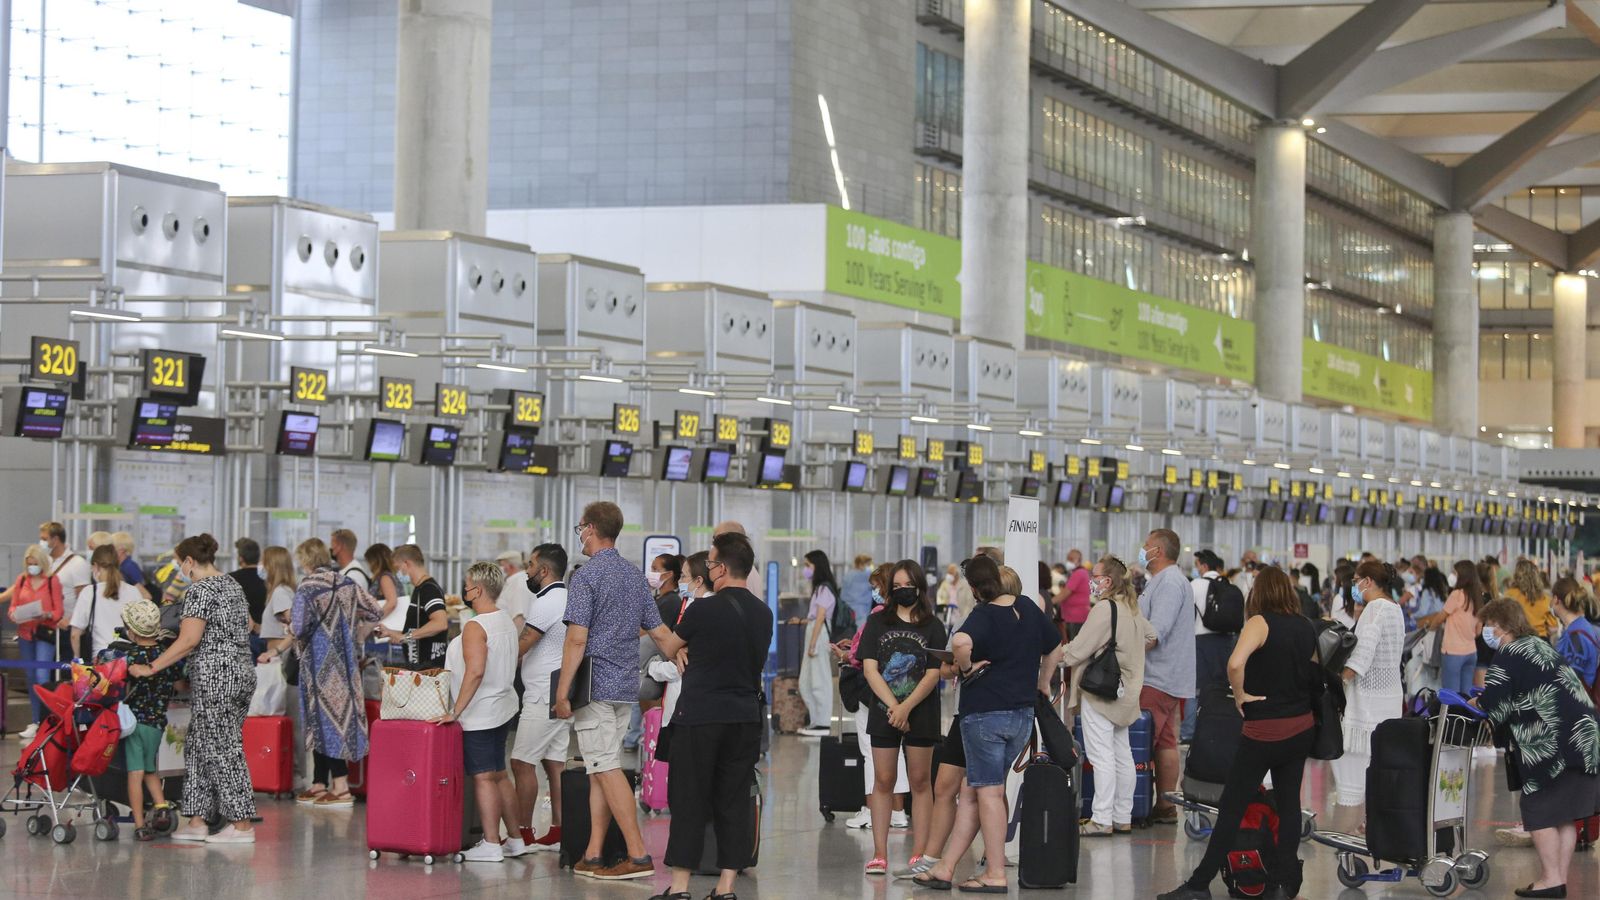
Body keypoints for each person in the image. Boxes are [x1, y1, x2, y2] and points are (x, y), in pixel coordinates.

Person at [1157, 566, 1319, 900]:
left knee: (1232, 808)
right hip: (1300, 726)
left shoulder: (1260, 622)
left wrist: (1241, 694)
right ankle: (1285, 883)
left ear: (1258, 593)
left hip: (1264, 730)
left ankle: (1200, 884)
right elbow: (1315, 669)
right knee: (1289, 805)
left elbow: (1234, 663)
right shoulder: (1305, 626)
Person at [914, 554, 1063, 893]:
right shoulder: (1027, 607)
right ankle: (945, 867)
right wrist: (1043, 681)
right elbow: (1055, 647)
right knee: (973, 791)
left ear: (974, 586)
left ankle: (995, 871)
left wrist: (966, 668)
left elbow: (961, 642)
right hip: (1021, 717)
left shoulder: (985, 613)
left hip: (985, 716)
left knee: (989, 792)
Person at [645, 531, 774, 900]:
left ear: (719, 568)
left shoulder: (703, 608)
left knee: (689, 799)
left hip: (700, 716)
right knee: (734, 800)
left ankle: (681, 887)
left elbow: (670, 645)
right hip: (745, 717)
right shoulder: (763, 613)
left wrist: (652, 618)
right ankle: (726, 886)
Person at [554, 501, 675, 881]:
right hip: (625, 688)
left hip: (593, 689)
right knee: (598, 770)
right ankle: (593, 853)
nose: (580, 534)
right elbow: (659, 632)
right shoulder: (634, 576)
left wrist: (562, 693)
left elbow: (576, 640)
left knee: (605, 768)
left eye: (580, 528)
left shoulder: (586, 578)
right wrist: (684, 651)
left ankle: (638, 855)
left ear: (590, 529)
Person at [125, 533, 257, 843]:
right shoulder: (231, 584)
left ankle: (242, 825)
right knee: (198, 744)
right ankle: (197, 820)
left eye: (179, 563)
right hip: (240, 673)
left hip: (216, 677)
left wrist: (152, 667)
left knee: (224, 749)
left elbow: (188, 640)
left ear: (188, 561)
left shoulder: (199, 590)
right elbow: (249, 625)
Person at [1478, 599, 1600, 899]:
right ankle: (1557, 879)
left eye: (1488, 624)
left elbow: (1495, 706)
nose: (1484, 631)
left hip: (1550, 747)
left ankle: (1550, 879)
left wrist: (1474, 703)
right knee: (1565, 814)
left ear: (1501, 626)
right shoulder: (1540, 645)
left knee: (1539, 810)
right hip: (1584, 739)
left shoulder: (1506, 654)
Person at [264, 537, 380, 808]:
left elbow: (301, 627)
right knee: (336, 721)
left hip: (319, 666)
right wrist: (357, 635)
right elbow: (375, 610)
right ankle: (320, 783)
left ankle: (340, 788)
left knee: (325, 723)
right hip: (347, 666)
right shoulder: (347, 583)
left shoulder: (308, 587)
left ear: (305, 560)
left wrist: (288, 628)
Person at [858, 559, 946, 878]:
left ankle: (919, 852)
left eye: (908, 585)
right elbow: (870, 669)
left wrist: (906, 707)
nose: (902, 590)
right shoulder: (877, 622)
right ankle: (880, 852)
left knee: (921, 782)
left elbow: (934, 673)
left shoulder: (934, 626)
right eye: (896, 586)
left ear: (919, 587)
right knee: (883, 780)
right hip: (884, 712)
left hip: (921, 712)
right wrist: (895, 706)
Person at [436, 561, 526, 862]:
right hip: (503, 706)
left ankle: (490, 843)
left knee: (484, 777)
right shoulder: (505, 620)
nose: (464, 590)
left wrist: (455, 711)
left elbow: (475, 671)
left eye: (467, 584)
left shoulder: (477, 626)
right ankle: (515, 839)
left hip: (480, 712)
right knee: (500, 775)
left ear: (478, 589)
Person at [1065, 555, 1155, 837]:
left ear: (1107, 581)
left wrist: (1055, 656)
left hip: (1101, 691)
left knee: (1101, 755)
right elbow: (1152, 636)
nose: (1092, 581)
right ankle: (1122, 816)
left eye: (1096, 576)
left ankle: (1101, 819)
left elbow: (1078, 650)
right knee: (1122, 754)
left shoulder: (1105, 608)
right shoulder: (1131, 608)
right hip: (1127, 690)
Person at [505, 543, 571, 851]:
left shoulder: (546, 602)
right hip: (561, 687)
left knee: (521, 762)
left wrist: (496, 661)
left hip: (543, 692)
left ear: (544, 570)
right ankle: (560, 829)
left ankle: (523, 832)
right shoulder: (567, 596)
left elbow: (526, 641)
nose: (527, 571)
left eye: (530, 565)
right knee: (554, 762)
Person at [838, 563, 911, 834]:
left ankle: (870, 809)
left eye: (877, 587)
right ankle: (898, 811)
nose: (874, 592)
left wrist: (846, 654)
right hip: (898, 691)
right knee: (897, 752)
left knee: (871, 752)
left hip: (870, 692)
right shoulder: (908, 617)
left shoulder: (877, 617)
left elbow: (860, 655)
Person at [1331, 559, 1407, 807]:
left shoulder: (1375, 609)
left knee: (1358, 768)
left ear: (1368, 581)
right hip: (1390, 699)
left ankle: (1359, 824)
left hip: (1367, 706)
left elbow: (1361, 656)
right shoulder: (1395, 608)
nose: (1354, 587)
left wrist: (1338, 682)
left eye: (1355, 582)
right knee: (1379, 765)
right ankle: (1371, 822)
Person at [1137, 528, 1195, 824]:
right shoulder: (1162, 581)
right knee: (1165, 742)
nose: (1142, 549)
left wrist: (1128, 650)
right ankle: (1165, 805)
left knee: (1143, 741)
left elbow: (1155, 632)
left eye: (1146, 545)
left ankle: (1135, 806)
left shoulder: (1170, 582)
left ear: (1157, 551)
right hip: (1166, 675)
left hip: (1157, 675)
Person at [118, 599, 181, 841]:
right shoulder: (167, 655)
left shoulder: (130, 656)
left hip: (134, 724)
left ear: (132, 630)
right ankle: (162, 806)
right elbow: (179, 680)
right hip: (157, 723)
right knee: (151, 769)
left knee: (135, 773)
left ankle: (139, 824)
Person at [2, 543, 64, 738]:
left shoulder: (52, 581)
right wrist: (15, 615)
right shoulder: (21, 580)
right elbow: (12, 607)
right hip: (25, 633)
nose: (32, 567)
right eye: (29, 563)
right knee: (30, 677)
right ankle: (36, 720)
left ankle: (48, 720)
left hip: (44, 633)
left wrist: (45, 613)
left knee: (42, 675)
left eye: (35, 563)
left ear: (42, 562)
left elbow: (58, 611)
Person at [1184, 549, 1234, 743]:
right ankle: (1216, 728)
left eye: (1197, 565)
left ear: (1203, 566)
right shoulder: (1227, 584)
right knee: (1220, 687)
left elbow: (1186, 616)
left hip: (1201, 641)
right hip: (1225, 641)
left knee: (1194, 689)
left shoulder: (1195, 584)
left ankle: (1189, 732)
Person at [380, 544, 449, 670]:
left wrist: (405, 637)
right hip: (418, 667)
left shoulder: (429, 589)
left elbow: (440, 623)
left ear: (407, 564)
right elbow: (417, 629)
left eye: (397, 568)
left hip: (429, 669)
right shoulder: (419, 589)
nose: (397, 574)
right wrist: (392, 633)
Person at [797, 549, 840, 737]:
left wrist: (813, 644)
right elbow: (815, 616)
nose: (805, 569)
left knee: (819, 681)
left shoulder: (824, 588)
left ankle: (823, 724)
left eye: (808, 565)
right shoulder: (819, 588)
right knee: (806, 682)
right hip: (814, 631)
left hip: (819, 634)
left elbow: (821, 616)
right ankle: (816, 722)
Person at [70, 544, 140, 660]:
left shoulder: (89, 592)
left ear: (96, 566)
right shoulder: (134, 591)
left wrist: (77, 658)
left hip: (100, 659)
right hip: (129, 658)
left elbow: (75, 635)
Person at [1432, 561, 1486, 696]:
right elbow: (1478, 631)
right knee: (1466, 695)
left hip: (1453, 652)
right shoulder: (1477, 596)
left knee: (1451, 696)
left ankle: (1452, 717)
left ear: (1462, 576)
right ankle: (1465, 717)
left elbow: (1440, 617)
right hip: (1471, 652)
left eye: (1454, 573)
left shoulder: (1457, 594)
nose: (1452, 575)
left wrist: (1431, 627)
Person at [38, 520, 92, 628]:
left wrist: (71, 619)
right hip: (45, 623)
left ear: (56, 539)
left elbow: (85, 599)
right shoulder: (45, 562)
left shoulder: (78, 564)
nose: (41, 543)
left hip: (67, 625)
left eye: (44, 539)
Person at [1553, 576, 1599, 692]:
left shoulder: (1576, 635)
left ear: (1556, 600)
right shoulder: (1579, 628)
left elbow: (1570, 680)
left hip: (1576, 704)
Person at [1504, 558, 1560, 642]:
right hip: (1541, 641)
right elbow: (1553, 628)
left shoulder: (1509, 595)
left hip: (1518, 641)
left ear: (1516, 575)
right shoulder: (1545, 598)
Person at [231, 537, 268, 658]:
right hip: (264, 636)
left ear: (241, 558)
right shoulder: (267, 581)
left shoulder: (231, 579)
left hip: (238, 638)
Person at [258, 546, 296, 656]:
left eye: (263, 561)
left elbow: (296, 626)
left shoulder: (280, 592)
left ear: (272, 566)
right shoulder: (284, 590)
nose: (260, 565)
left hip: (280, 658)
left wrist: (276, 650)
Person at [1058, 549, 1091, 640]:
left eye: (1072, 559)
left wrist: (1050, 601)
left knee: (1074, 644)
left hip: (1076, 617)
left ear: (1079, 560)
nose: (1069, 561)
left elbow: (1065, 593)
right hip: (1072, 616)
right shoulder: (1076, 573)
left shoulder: (1079, 573)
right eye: (1068, 559)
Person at [364, 543, 402, 620]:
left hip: (386, 627)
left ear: (374, 561)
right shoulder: (390, 575)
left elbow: (392, 603)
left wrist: (374, 619)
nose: (368, 566)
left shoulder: (385, 577)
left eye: (369, 562)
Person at [110, 531, 151, 600]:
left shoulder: (129, 567)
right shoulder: (121, 566)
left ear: (121, 550)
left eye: (111, 548)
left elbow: (144, 595)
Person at [650, 553, 684, 630]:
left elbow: (655, 631)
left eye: (655, 569)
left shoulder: (671, 601)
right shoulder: (658, 597)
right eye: (651, 569)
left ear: (668, 574)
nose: (651, 573)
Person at [841, 553, 875, 625]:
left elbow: (843, 595)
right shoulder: (866, 575)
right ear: (860, 564)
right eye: (868, 564)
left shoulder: (848, 575)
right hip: (861, 612)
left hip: (848, 611)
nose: (870, 567)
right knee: (860, 633)